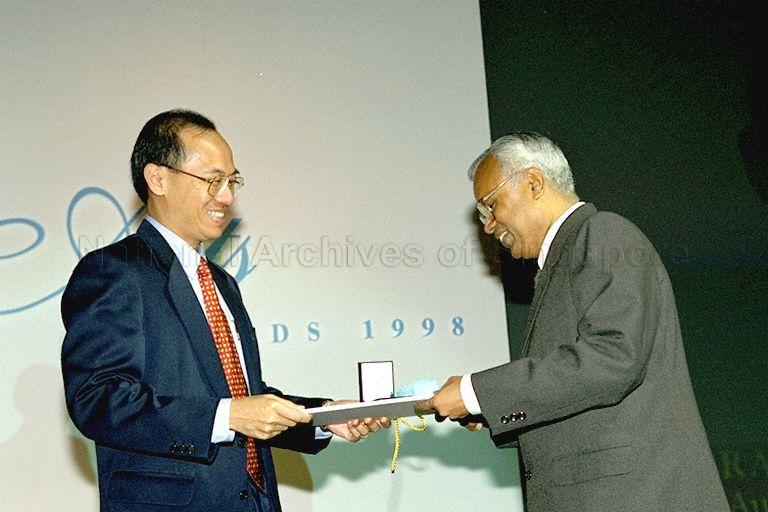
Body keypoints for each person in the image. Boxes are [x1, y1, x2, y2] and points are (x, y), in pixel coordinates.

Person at [61, 110, 387, 512]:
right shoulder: (115, 271)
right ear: (158, 178)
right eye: (213, 180)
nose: (228, 197)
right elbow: (99, 399)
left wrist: (320, 417)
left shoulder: (221, 282)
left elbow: (244, 399)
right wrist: (228, 416)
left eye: (232, 181)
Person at [421, 133, 729, 511]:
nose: (487, 225)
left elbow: (613, 359)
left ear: (533, 183)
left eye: (490, 206)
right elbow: (583, 396)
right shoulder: (563, 262)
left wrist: (476, 392)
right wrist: (486, 410)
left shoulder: (603, 233)